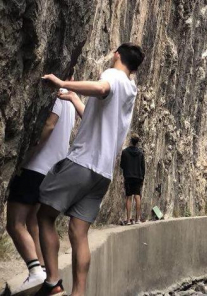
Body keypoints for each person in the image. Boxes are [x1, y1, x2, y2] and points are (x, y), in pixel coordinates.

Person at [35, 43, 145, 296]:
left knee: (44, 216)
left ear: (117, 55)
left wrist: (63, 82)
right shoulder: (130, 88)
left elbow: (101, 88)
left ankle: (52, 282)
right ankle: (80, 293)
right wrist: (74, 99)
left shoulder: (112, 75)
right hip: (102, 174)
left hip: (82, 162)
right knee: (79, 232)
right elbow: (99, 120)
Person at [6, 89, 83, 292]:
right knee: (33, 221)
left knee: (15, 223)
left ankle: (35, 271)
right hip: (52, 171)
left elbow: (49, 124)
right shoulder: (71, 103)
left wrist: (26, 156)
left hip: (35, 167)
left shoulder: (58, 96)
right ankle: (42, 270)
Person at [119, 134, 145, 225]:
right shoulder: (141, 153)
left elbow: (122, 165)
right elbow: (143, 167)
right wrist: (142, 178)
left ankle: (129, 219)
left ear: (131, 141)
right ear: (137, 142)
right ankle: (137, 219)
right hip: (138, 177)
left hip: (128, 176)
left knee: (128, 197)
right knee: (137, 197)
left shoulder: (125, 152)